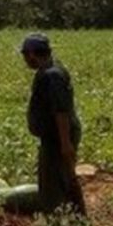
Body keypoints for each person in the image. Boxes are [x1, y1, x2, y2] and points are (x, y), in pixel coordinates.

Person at [20, 32, 86, 215]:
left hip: (57, 137)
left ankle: (60, 224)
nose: (25, 59)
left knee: (52, 184)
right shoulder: (49, 69)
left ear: (32, 53)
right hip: (55, 136)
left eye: (25, 54)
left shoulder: (52, 75)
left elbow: (61, 111)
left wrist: (65, 143)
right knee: (65, 176)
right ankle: (77, 218)